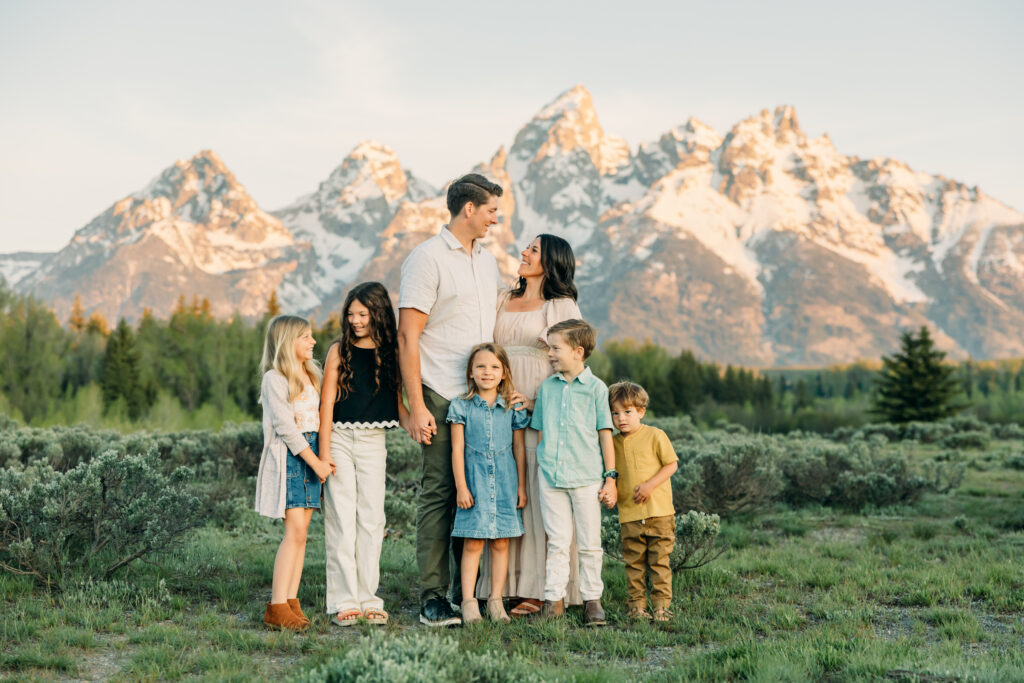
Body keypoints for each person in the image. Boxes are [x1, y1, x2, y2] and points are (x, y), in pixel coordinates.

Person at [398, 173, 505, 627]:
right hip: (440, 392)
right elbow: (408, 335)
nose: (495, 220)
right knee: (442, 492)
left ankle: (470, 595)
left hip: (481, 398)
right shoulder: (426, 259)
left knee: (479, 492)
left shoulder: (488, 262)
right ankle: (432, 596)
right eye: (491, 211)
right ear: (468, 209)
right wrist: (416, 405)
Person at [481, 234, 584, 617]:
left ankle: (543, 587)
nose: (524, 253)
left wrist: (538, 400)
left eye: (534, 249)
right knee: (506, 486)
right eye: (526, 247)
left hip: (540, 404)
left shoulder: (560, 305)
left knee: (540, 494)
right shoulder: (503, 298)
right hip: (500, 400)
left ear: (551, 260)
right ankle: (502, 584)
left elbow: (572, 363)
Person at [319, 282, 408, 627]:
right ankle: (344, 599)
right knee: (341, 519)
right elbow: (326, 403)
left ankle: (370, 598)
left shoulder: (391, 353)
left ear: (378, 313)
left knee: (372, 519)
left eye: (363, 314)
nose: (355, 321)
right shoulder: (338, 351)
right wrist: (324, 453)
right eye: (351, 314)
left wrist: (417, 423)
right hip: (339, 438)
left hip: (374, 442)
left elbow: (399, 402)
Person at [530, 319, 617, 626]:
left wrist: (611, 478)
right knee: (557, 540)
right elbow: (539, 428)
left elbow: (605, 434)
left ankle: (593, 600)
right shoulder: (547, 388)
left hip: (587, 477)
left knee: (590, 542)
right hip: (551, 476)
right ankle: (553, 600)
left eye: (556, 348)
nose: (550, 354)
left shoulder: (596, 389)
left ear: (578, 352)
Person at [255, 314, 333, 631]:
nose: (313, 342)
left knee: (303, 536)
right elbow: (285, 427)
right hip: (292, 456)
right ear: (288, 341)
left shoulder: (311, 375)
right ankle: (275, 605)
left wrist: (323, 457)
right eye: (305, 336)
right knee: (294, 533)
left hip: (311, 452)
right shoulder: (275, 378)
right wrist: (315, 462)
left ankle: (290, 600)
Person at [449, 343, 530, 624]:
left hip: (506, 482)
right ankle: (469, 601)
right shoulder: (461, 406)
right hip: (474, 482)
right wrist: (461, 486)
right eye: (481, 366)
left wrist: (521, 486)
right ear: (471, 372)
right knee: (472, 542)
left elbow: (519, 449)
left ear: (504, 372)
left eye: (495, 367)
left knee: (500, 542)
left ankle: (496, 600)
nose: (487, 372)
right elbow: (457, 449)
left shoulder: (511, 407)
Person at [608, 381, 679, 622]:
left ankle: (661, 606)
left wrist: (649, 485)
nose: (621, 419)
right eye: (615, 413)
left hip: (659, 513)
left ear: (641, 411)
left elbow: (672, 464)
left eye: (627, 412)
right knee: (634, 564)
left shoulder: (655, 435)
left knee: (659, 563)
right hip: (629, 515)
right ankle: (637, 606)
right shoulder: (612, 443)